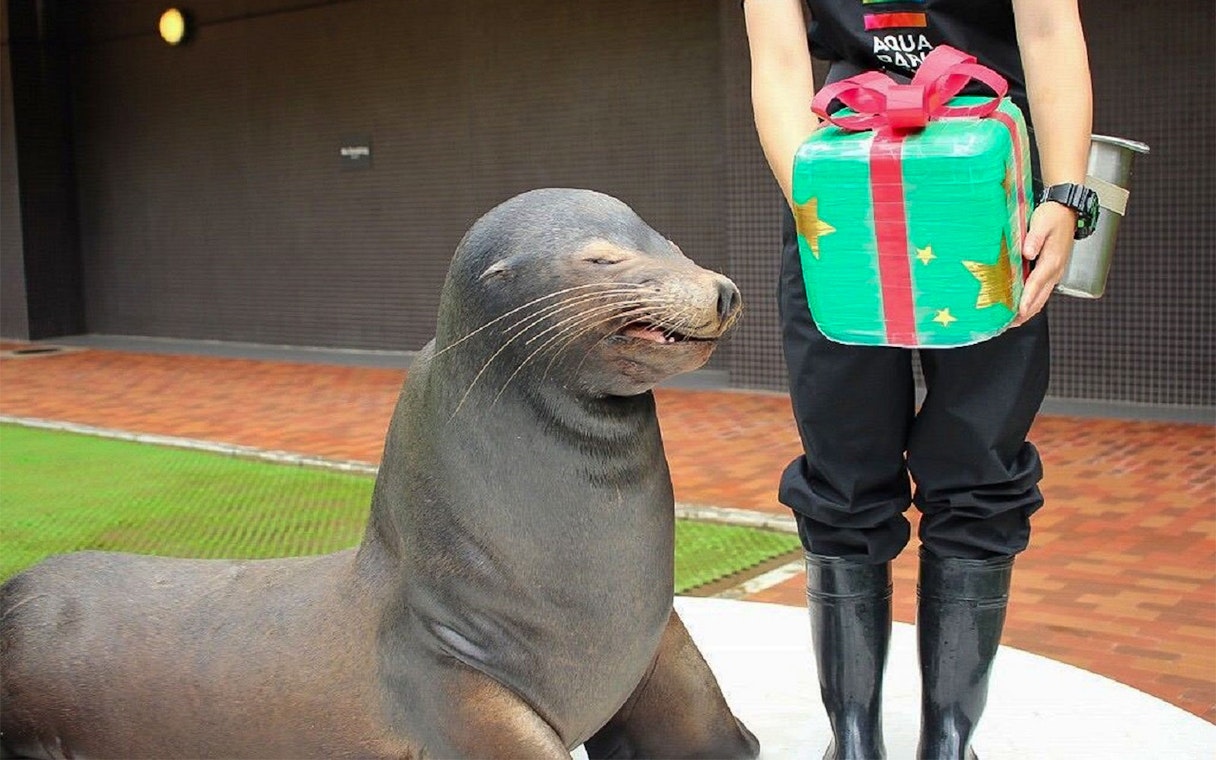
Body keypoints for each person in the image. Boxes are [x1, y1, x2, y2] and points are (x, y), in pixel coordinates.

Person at [742, 1, 1094, 759]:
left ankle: (949, 739)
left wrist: (1065, 195)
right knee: (842, 467)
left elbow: (1049, 31)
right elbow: (776, 62)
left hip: (981, 183)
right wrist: (820, 211)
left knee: (979, 466)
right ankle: (854, 740)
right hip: (835, 185)